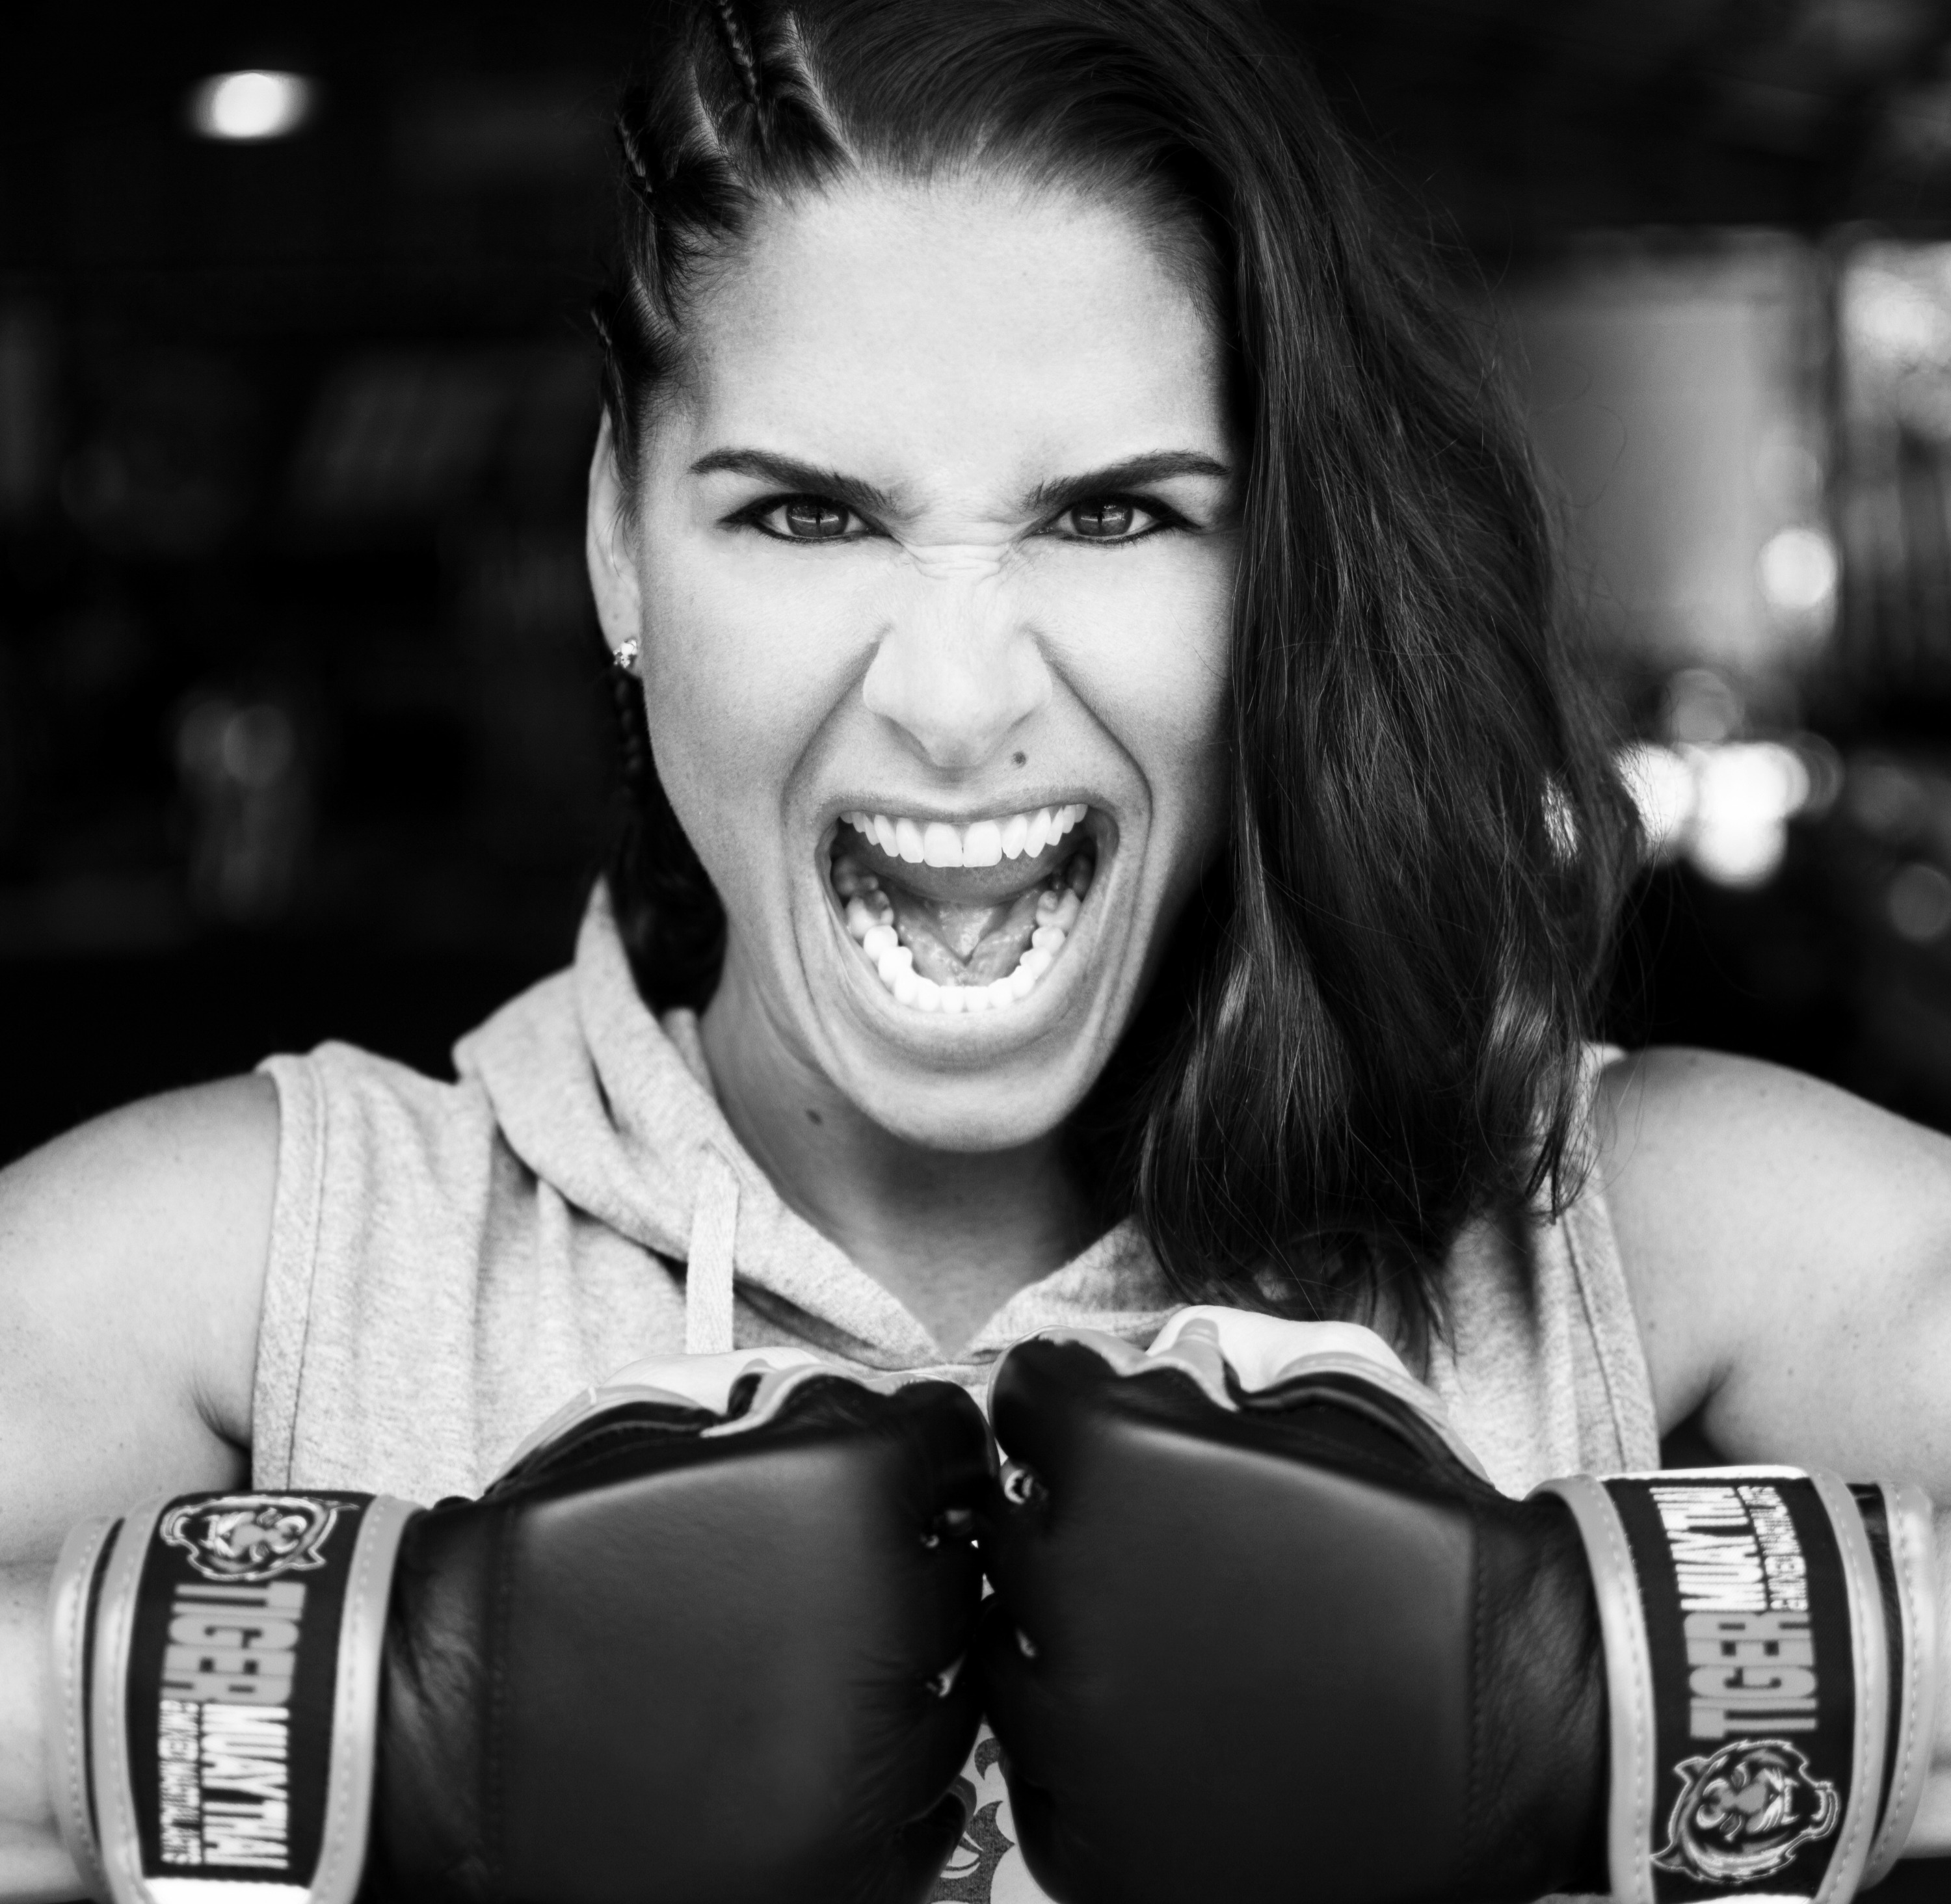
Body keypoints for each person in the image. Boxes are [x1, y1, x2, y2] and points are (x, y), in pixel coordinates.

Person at [4, 0, 1950, 1897]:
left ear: (1283, 563)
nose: (951, 700)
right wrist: (375, 1718)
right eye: (806, 516)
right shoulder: (264, 1278)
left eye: (1111, 515)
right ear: (617, 543)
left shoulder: (1648, 1242)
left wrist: (1601, 1694)